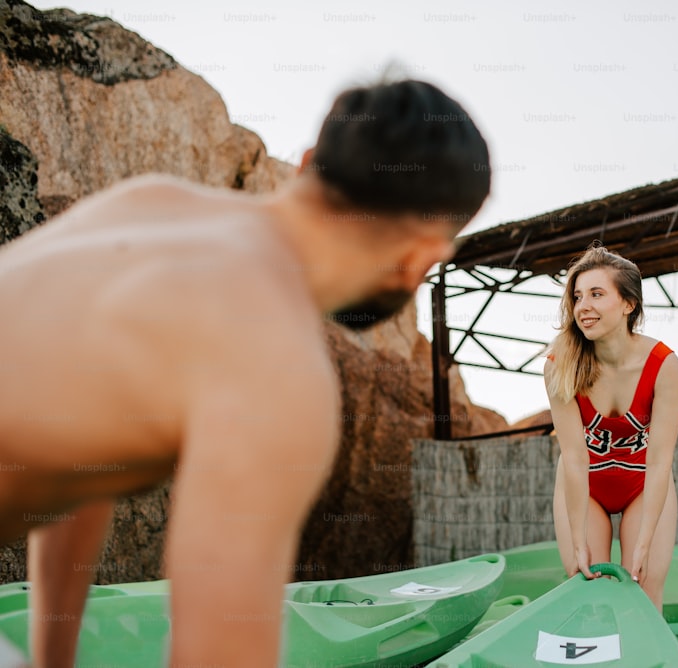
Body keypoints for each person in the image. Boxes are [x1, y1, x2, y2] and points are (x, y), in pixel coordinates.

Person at [0, 78, 490, 668]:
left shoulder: (145, 202)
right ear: (420, 260)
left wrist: (52, 659)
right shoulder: (275, 359)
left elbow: (79, 460)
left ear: (308, 164)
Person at [544, 244, 678, 610]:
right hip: (586, 487)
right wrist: (577, 538)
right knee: (588, 588)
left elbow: (660, 462)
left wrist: (642, 544)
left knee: (645, 586)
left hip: (643, 482)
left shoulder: (663, 365)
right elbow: (574, 458)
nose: (583, 306)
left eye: (596, 294)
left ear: (628, 304)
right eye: (577, 296)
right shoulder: (560, 363)